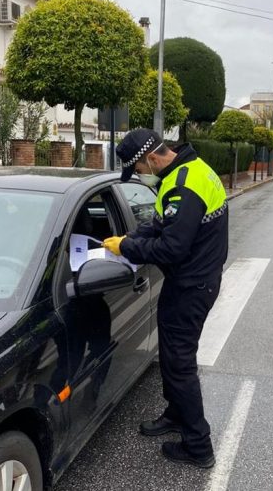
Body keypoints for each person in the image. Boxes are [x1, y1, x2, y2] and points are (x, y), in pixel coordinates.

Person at [102, 128, 228, 468]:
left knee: (179, 364)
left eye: (139, 168)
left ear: (151, 158)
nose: (140, 175)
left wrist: (125, 247)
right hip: (194, 281)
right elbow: (161, 225)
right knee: (174, 359)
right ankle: (176, 414)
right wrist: (130, 236)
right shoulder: (189, 170)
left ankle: (198, 446)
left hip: (191, 287)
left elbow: (172, 247)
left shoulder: (183, 186)